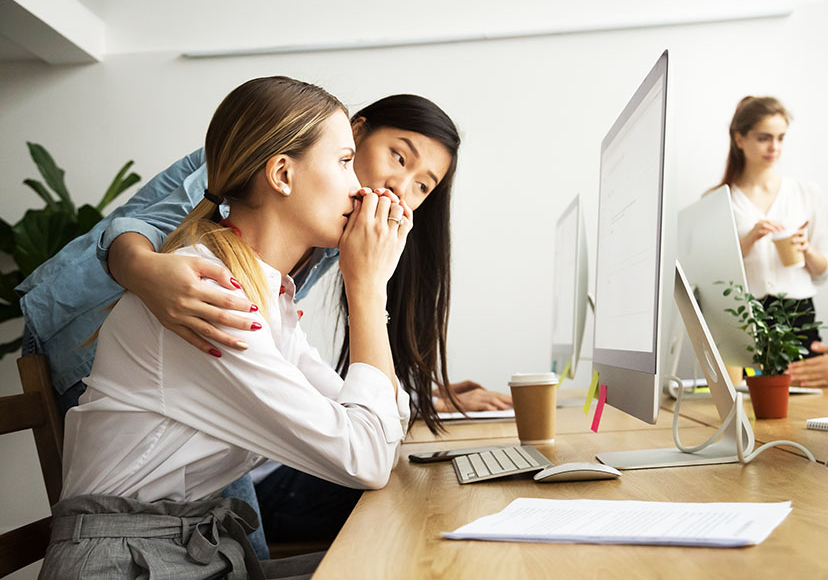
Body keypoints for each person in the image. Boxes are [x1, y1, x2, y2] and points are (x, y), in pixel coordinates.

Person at [17, 92, 510, 551]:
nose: (398, 188)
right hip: (84, 329)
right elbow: (137, 227)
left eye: (422, 185)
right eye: (398, 158)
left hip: (191, 348)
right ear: (353, 135)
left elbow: (359, 413)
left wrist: (414, 389)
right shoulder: (254, 180)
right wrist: (145, 272)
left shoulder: (273, 277)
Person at [713, 96, 828, 364]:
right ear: (739, 139)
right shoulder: (719, 202)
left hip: (799, 318)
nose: (774, 147)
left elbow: (825, 270)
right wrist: (747, 241)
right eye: (764, 138)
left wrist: (806, 249)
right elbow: (711, 277)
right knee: (751, 401)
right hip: (746, 319)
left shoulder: (807, 193)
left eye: (781, 138)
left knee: (812, 402)